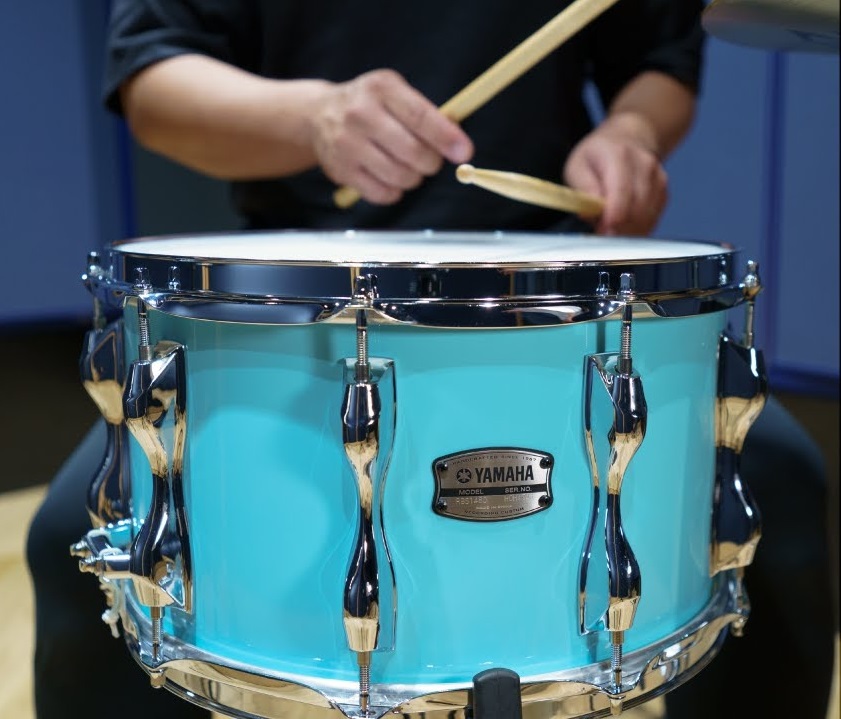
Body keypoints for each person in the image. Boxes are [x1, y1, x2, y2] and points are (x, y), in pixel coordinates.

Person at [25, 1, 835, 718]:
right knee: (89, 542)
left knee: (779, 492)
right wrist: (312, 119)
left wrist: (630, 134)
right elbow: (153, 76)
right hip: (277, 316)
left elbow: (659, 56)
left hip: (552, 303)